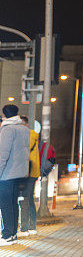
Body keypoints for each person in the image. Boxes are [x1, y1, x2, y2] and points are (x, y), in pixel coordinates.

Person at [0, 105, 30, 245]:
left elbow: (2, 154)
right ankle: (13, 234)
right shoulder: (24, 129)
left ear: (4, 115)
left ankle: (6, 235)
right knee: (13, 203)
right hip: (19, 173)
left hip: (6, 174)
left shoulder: (7, 130)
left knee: (5, 205)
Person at [17, 116, 38, 237]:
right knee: (28, 199)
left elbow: (24, 149)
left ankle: (25, 228)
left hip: (27, 171)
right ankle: (31, 227)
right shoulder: (32, 135)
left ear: (23, 125)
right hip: (31, 171)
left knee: (25, 199)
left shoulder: (28, 135)